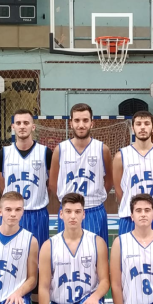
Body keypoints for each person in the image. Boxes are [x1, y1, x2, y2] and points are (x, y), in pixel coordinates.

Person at [0, 109, 52, 304]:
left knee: (38, 267)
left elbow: (50, 181)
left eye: (26, 122)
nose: (21, 126)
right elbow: (2, 185)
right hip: (13, 214)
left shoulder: (45, 152)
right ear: (13, 127)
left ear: (33, 126)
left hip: (37, 213)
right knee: (11, 262)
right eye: (17, 123)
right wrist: (12, 208)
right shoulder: (4, 153)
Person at [49, 103, 113, 246]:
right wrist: (68, 202)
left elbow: (109, 181)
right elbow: (53, 183)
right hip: (68, 210)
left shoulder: (103, 149)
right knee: (65, 252)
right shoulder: (60, 150)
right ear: (70, 123)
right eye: (77, 120)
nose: (81, 125)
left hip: (94, 210)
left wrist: (95, 196)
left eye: (85, 120)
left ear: (92, 123)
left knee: (96, 252)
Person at [113, 110, 153, 235]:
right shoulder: (121, 156)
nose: (142, 127)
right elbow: (119, 191)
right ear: (133, 128)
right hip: (130, 218)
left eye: (147, 123)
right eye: (138, 124)